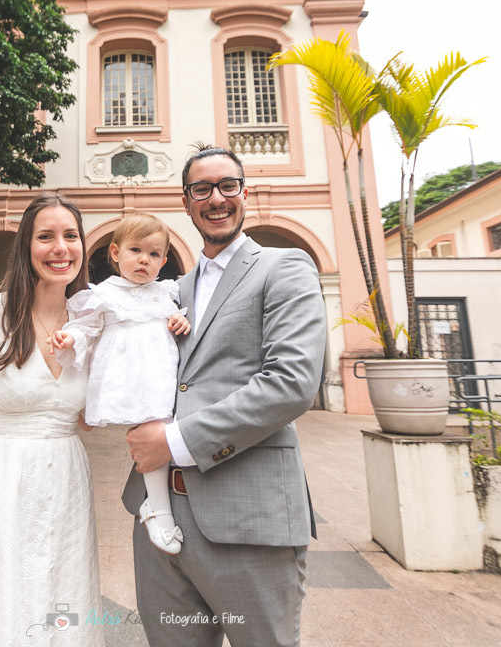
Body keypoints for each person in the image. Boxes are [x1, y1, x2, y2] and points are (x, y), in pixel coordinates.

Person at [123, 146, 327, 647]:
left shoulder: (284, 266)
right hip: (159, 521)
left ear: (244, 192)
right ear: (187, 201)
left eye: (227, 186)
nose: (216, 199)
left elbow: (292, 382)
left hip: (248, 517)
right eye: (201, 189)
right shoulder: (172, 288)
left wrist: (172, 442)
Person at [0, 192, 102, 646]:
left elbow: (87, 412)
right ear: (26, 247)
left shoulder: (90, 325)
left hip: (67, 488)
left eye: (71, 236)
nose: (60, 248)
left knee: (62, 624)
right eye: (45, 236)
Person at [49, 213, 192, 554]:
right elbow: (86, 327)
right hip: (126, 376)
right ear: (115, 252)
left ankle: (154, 504)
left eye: (155, 254)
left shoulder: (165, 292)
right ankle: (158, 508)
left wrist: (179, 319)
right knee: (153, 430)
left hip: (159, 373)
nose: (145, 259)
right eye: (136, 250)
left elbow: (177, 317)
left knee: (158, 433)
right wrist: (70, 339)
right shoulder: (103, 294)